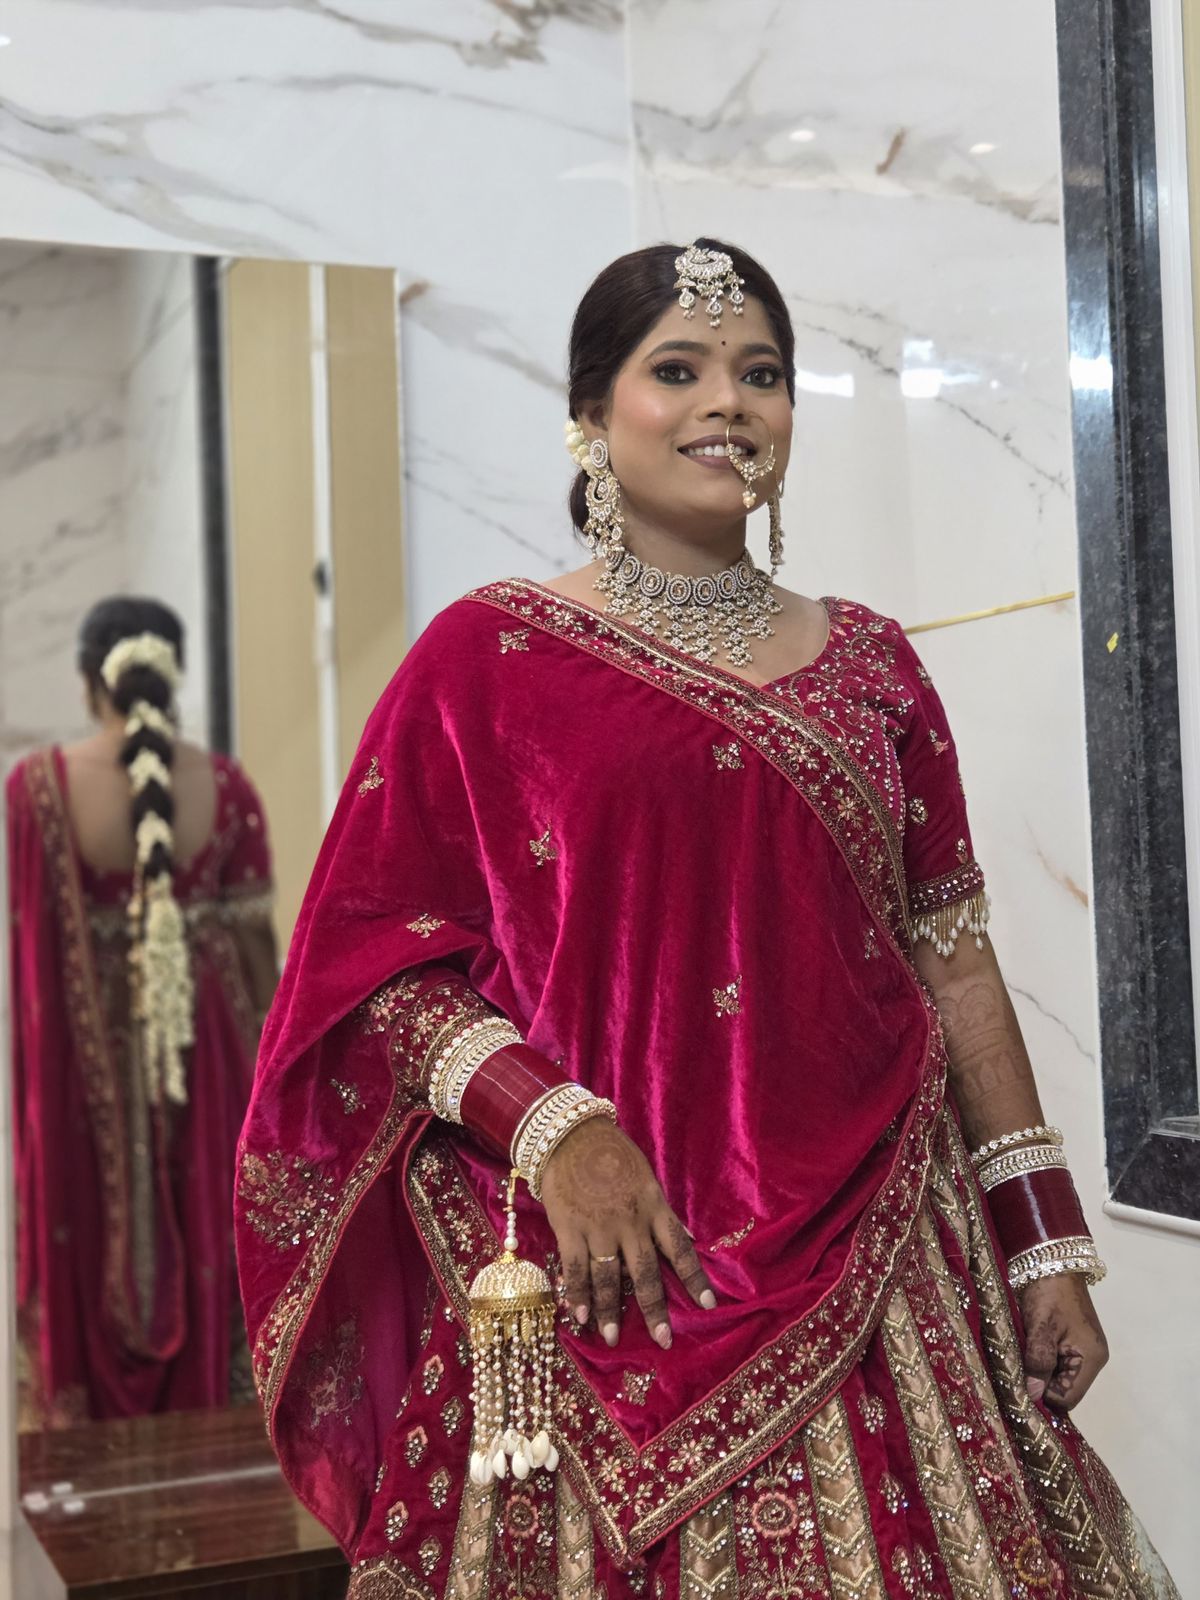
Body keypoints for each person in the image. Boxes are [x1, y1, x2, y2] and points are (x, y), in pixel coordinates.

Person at [236, 243, 1178, 1597]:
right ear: (592, 413)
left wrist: (1041, 1239)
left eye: (761, 375)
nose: (724, 404)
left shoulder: (876, 665)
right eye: (675, 370)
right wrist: (554, 1129)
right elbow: (378, 978)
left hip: (887, 1262)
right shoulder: (480, 663)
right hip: (606, 1268)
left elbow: (952, 956)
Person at [8, 596, 276, 1425]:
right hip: (213, 1079)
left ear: (92, 683)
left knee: (92, 1253)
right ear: (176, 674)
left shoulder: (35, 793)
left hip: (81, 1110)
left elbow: (28, 964)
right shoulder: (227, 790)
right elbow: (262, 972)